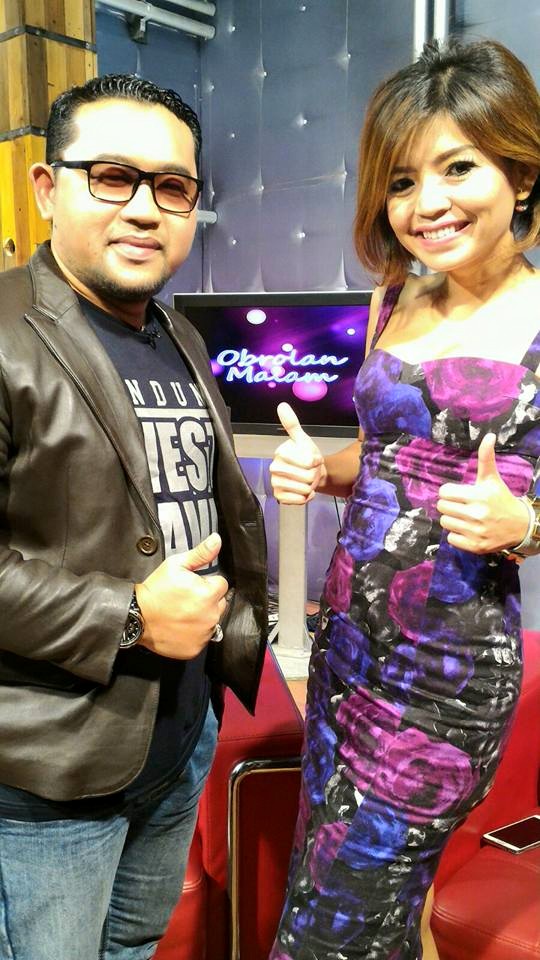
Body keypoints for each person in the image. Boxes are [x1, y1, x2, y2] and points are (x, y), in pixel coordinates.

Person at [268, 38, 540, 960]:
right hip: (348, 647)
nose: (427, 204)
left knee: (337, 924)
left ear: (520, 173)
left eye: (457, 167)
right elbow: (385, 455)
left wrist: (524, 523)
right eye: (401, 180)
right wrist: (323, 470)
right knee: (380, 903)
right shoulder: (394, 298)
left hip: (446, 673)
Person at [0, 74, 267, 960]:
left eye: (173, 186)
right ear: (49, 188)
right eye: (113, 177)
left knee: (136, 947)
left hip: (179, 738)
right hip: (48, 772)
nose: (146, 209)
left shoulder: (178, 334)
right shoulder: (5, 329)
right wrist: (130, 617)